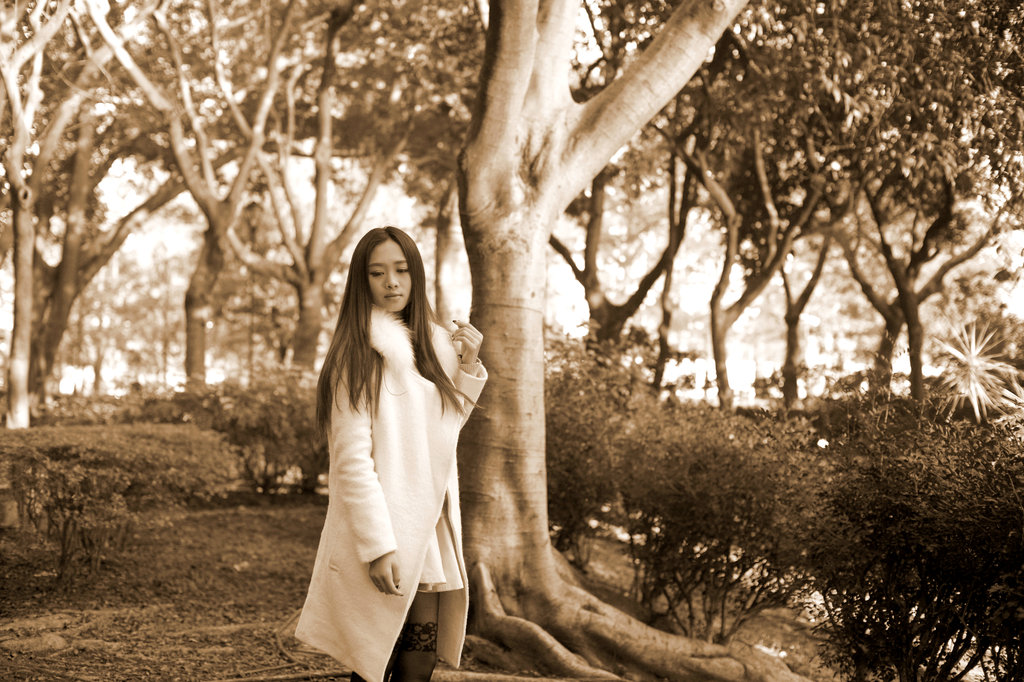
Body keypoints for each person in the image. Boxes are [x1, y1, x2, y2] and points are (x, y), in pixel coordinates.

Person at [295, 226, 486, 682]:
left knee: (418, 663)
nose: (392, 282)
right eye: (377, 273)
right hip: (387, 527)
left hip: (428, 526)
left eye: (401, 270)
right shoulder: (357, 355)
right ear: (362, 282)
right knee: (375, 662)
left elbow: (442, 435)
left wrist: (468, 365)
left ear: (416, 274)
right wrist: (378, 547)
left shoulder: (437, 346)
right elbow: (351, 462)